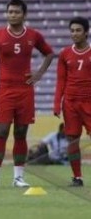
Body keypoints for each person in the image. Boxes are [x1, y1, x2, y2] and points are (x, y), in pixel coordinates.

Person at [0, 0, 54, 188]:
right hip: (4, 89)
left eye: (16, 12)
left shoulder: (33, 35)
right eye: (10, 12)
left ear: (24, 14)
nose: (12, 15)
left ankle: (18, 177)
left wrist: (38, 74)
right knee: (1, 131)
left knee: (21, 133)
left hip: (25, 90)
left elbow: (49, 53)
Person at [54, 16, 91, 187]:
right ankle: (77, 177)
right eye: (72, 30)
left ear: (86, 33)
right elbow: (61, 80)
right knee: (72, 140)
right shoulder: (65, 54)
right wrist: (56, 103)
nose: (74, 34)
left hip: (89, 102)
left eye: (78, 30)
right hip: (70, 103)